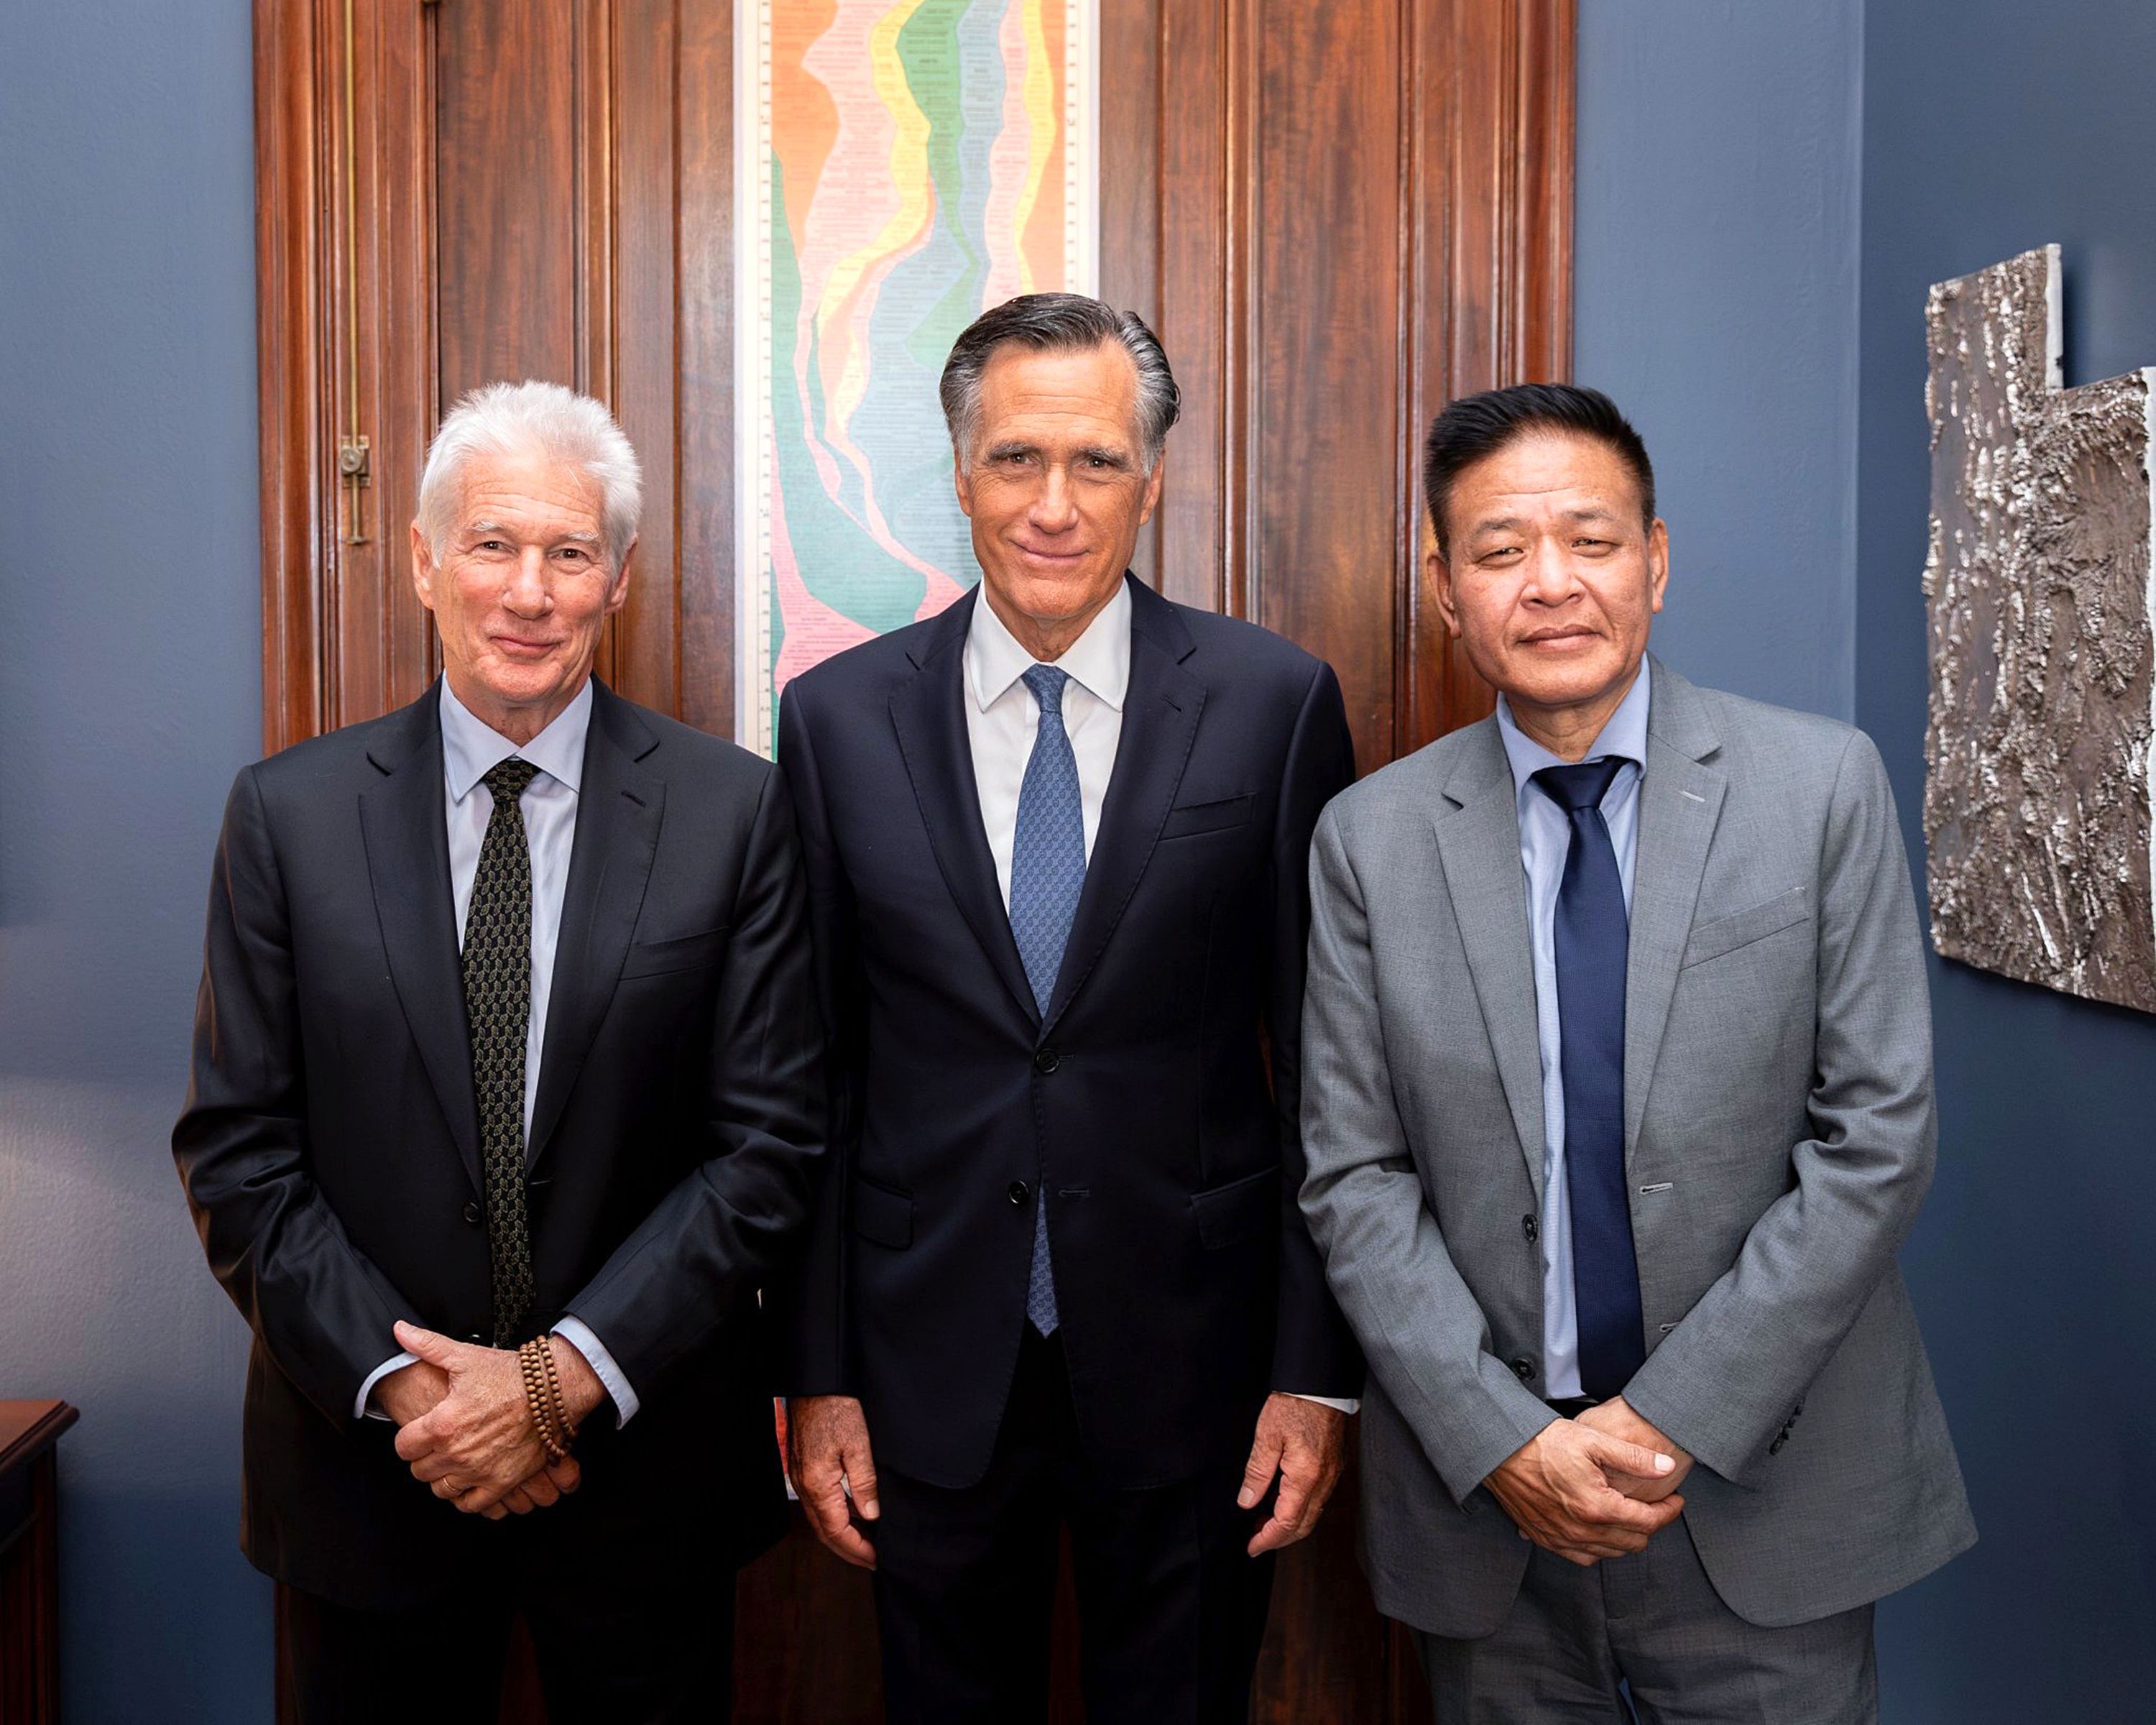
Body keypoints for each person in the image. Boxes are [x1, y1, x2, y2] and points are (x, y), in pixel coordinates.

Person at [1299, 383, 1974, 1722]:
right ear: (1445, 590)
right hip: (1492, 1515)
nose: (1550, 583)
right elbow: (1353, 1176)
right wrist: (1503, 1441)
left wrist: (1668, 1420)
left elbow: (1877, 1144)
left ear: (1655, 562)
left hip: (1762, 1494)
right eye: (1501, 550)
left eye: (1591, 541)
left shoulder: (1819, 789)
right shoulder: (1370, 840)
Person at [173, 380, 824, 1724]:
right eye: (492, 545)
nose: (529, 592)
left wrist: (554, 1382)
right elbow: (241, 1156)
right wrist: (435, 1401)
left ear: (618, 581)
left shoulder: (734, 812)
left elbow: (765, 1150)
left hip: (644, 1483)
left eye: (570, 553)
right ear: (423, 561)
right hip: (370, 1482)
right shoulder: (286, 817)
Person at [775, 293, 1363, 1723]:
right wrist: (817, 1375)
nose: (1055, 505)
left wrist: (1315, 1374)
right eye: (1017, 459)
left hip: (1201, 1361)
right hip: (922, 1363)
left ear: (1151, 481)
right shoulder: (836, 720)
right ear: (959, 474)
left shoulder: (1274, 702)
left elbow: (1329, 1066)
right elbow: (811, 1074)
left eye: (1097, 461)